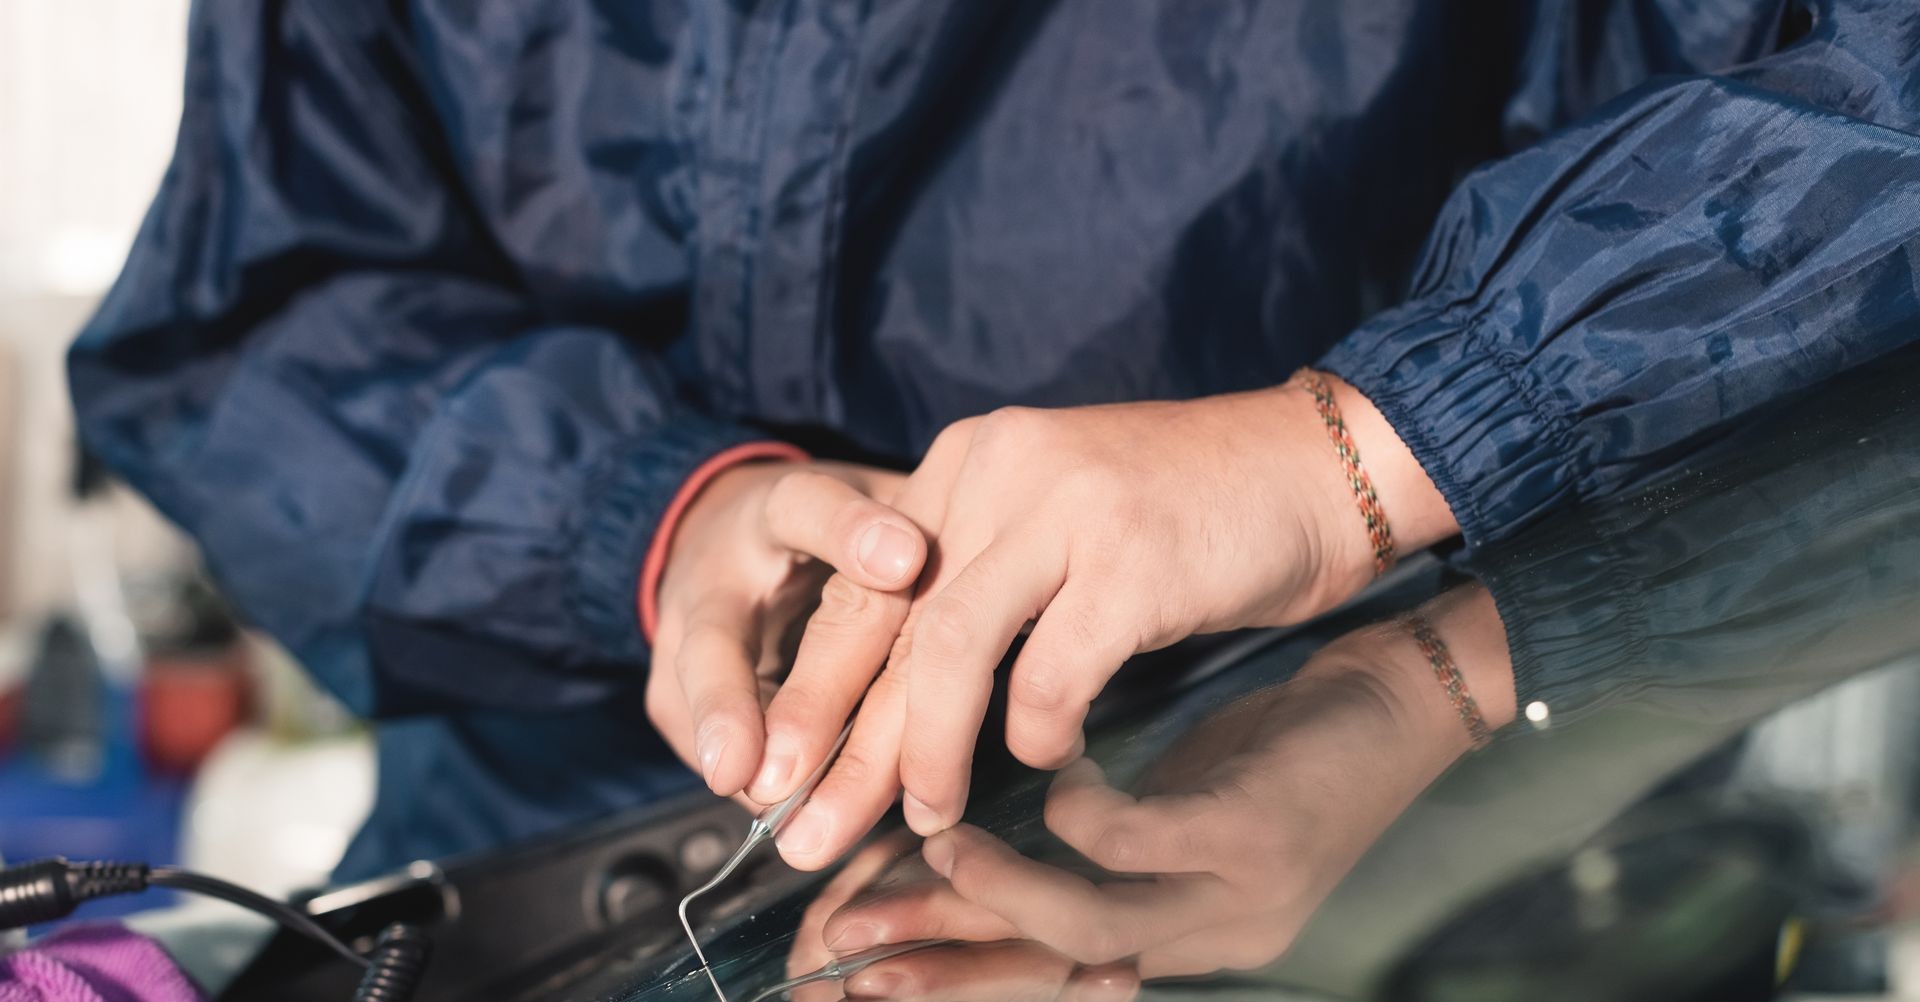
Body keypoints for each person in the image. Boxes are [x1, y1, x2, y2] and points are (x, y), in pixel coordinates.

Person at [69, 0, 1920, 879]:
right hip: (574, 900)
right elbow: (253, 314)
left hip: (1359, 868)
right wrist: (645, 516)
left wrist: (1368, 446)